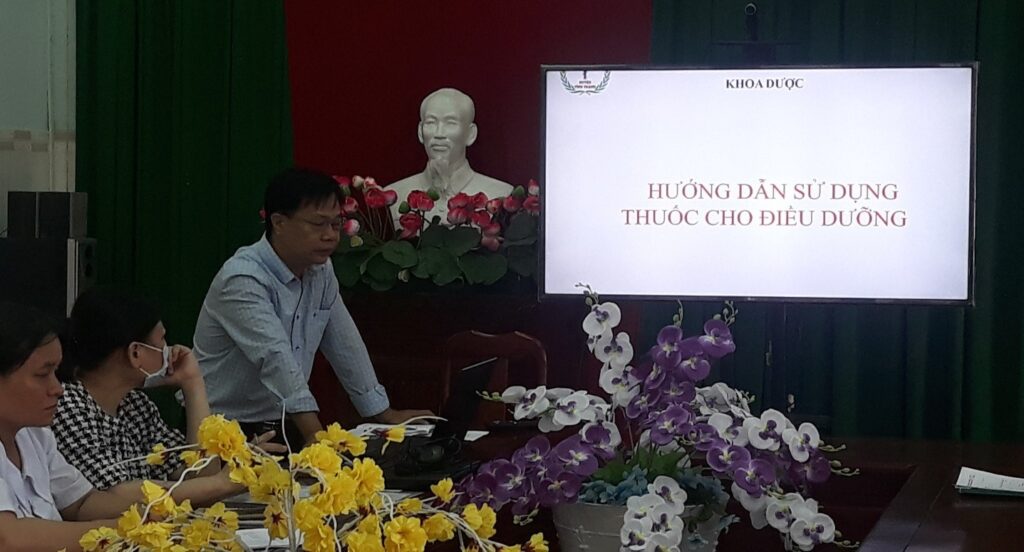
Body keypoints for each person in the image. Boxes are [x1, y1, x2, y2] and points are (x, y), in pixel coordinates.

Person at [194, 168, 431, 448]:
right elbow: (276, 359)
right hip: (222, 429)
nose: (330, 235)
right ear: (279, 222)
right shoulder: (243, 278)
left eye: (336, 224)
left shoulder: (320, 269)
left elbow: (344, 342)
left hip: (285, 423)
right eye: (318, 224)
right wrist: (314, 436)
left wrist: (383, 413)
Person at [0, 301, 237, 552]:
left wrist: (150, 516)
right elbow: (9, 538)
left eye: (56, 373)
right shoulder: (71, 408)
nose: (57, 388)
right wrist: (130, 530)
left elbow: (83, 503)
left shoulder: (35, 436)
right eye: (42, 375)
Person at [52, 287, 278, 488]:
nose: (169, 349)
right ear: (135, 353)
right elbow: (116, 497)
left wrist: (192, 382)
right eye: (162, 340)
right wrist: (221, 482)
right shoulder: (68, 406)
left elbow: (198, 475)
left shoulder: (136, 405)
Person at [387, 87, 513, 223]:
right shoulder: (395, 195)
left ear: (471, 134)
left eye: (450, 123)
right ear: (420, 132)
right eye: (431, 122)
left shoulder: (501, 194)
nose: (439, 133)